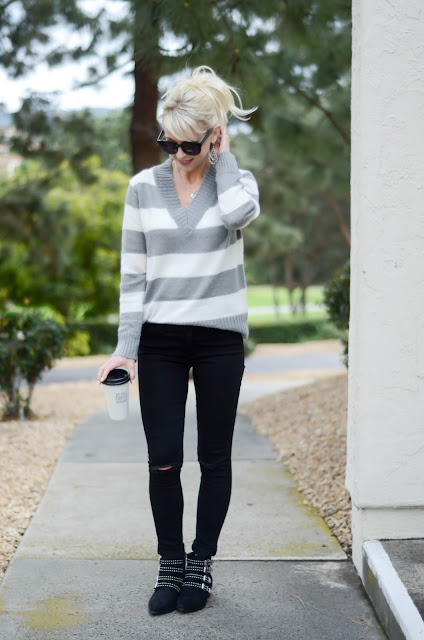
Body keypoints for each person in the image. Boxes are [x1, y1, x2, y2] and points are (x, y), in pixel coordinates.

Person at [97, 65, 260, 616]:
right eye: (169, 141)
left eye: (192, 143)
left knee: (214, 458)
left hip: (219, 339)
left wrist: (224, 159)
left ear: (213, 136)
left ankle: (201, 561)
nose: (179, 153)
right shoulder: (142, 188)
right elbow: (133, 276)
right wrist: (126, 348)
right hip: (161, 341)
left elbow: (239, 216)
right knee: (163, 458)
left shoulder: (237, 182)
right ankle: (170, 561)